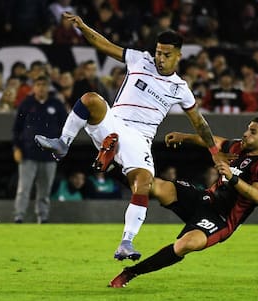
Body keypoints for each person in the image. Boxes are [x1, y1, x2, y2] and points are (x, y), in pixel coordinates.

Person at [35, 12, 223, 261]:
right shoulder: (139, 60)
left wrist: (213, 151)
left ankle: (126, 242)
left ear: (179, 56)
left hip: (140, 138)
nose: (160, 58)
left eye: (167, 54)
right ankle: (63, 143)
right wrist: (82, 26)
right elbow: (104, 45)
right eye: (158, 52)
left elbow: (199, 122)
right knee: (91, 99)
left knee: (144, 181)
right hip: (115, 123)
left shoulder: (181, 89)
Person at [109, 116, 258, 288]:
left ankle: (130, 272)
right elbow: (212, 141)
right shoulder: (237, 147)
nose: (245, 134)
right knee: (157, 186)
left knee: (187, 244)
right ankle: (111, 166)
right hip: (204, 199)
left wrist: (232, 177)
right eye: (247, 129)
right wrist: (185, 137)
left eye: (252, 132)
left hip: (222, 218)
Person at [13, 75, 67, 223]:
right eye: (38, 84)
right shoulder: (26, 104)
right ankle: (19, 216)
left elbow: (66, 127)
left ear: (48, 87)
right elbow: (17, 128)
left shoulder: (56, 105)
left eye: (44, 84)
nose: (41, 87)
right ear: (34, 87)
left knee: (45, 189)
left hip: (49, 155)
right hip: (28, 153)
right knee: (24, 188)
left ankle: (42, 216)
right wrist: (16, 148)